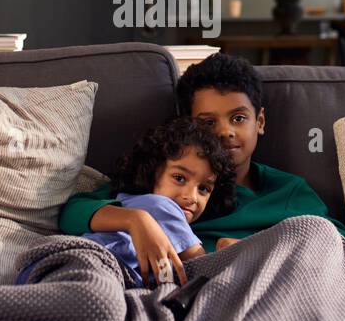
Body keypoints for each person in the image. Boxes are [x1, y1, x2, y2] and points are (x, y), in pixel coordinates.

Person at [60, 52, 345, 299]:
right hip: (198, 289)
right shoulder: (161, 180)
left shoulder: (288, 191)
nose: (225, 132)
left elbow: (341, 247)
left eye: (238, 118)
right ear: (188, 126)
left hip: (275, 284)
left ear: (259, 122)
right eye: (208, 123)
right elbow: (72, 213)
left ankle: (297, 307)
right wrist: (137, 220)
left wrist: (260, 253)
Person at [83, 116, 235, 287]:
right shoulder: (161, 207)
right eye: (179, 178)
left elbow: (166, 278)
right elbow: (204, 271)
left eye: (203, 189)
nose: (192, 196)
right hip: (94, 266)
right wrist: (232, 252)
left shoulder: (129, 202)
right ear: (151, 173)